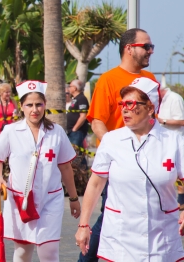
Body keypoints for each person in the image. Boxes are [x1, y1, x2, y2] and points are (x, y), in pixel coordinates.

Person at [75, 77, 184, 261]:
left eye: (132, 104)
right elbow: (95, 184)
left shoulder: (174, 141)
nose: (125, 109)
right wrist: (83, 224)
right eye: (122, 104)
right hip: (120, 237)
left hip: (161, 237)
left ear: (150, 108)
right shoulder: (111, 140)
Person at [79, 28, 156, 262]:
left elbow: (154, 120)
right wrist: (120, 149)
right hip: (120, 165)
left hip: (149, 163)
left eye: (151, 46)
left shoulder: (150, 80)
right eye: (146, 46)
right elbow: (97, 123)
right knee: (110, 217)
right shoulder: (108, 80)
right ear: (129, 48)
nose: (151, 51)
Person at [0, 80, 81, 262]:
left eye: (39, 104)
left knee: (48, 252)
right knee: (23, 253)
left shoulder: (57, 132)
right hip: (21, 201)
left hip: (51, 200)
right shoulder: (11, 131)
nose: (35, 109)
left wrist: (73, 198)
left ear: (45, 105)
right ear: (21, 107)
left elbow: (65, 166)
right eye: (29, 105)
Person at [157, 84, 184, 211]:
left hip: (176, 140)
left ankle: (181, 201)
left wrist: (163, 121)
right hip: (162, 142)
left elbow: (182, 121)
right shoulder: (161, 101)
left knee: (179, 173)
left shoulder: (175, 98)